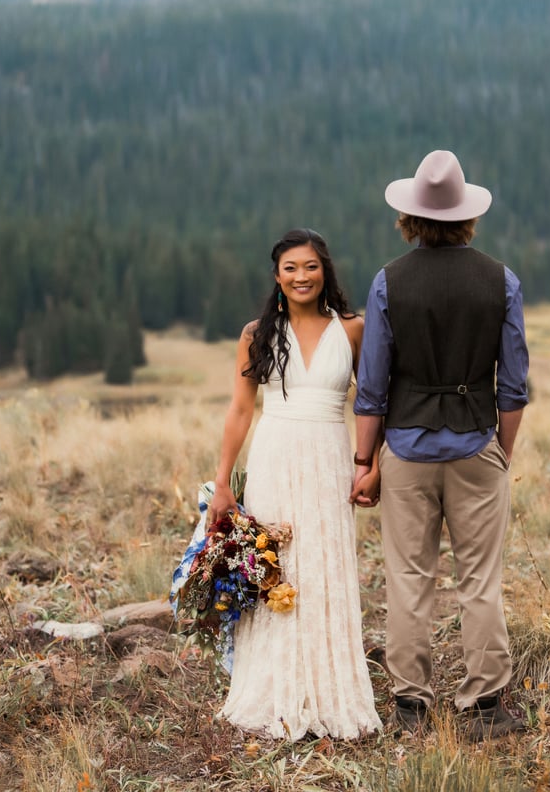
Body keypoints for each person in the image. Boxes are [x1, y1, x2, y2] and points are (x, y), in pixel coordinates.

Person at [350, 150, 529, 742]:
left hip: (404, 447)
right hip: (477, 443)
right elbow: (514, 383)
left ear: (410, 217)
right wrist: (500, 449)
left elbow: (372, 385)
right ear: (466, 216)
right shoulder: (500, 279)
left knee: (407, 577)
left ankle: (410, 705)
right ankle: (482, 708)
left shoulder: (387, 282)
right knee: (479, 579)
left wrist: (363, 461)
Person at [207, 228, 381, 741]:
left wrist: (370, 463)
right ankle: (276, 686)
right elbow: (241, 410)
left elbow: (375, 401)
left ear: (324, 270)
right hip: (275, 456)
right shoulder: (256, 333)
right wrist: (222, 482)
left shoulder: (353, 329)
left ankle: (330, 688)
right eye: (290, 268)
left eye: (310, 266)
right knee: (274, 564)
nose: (301, 276)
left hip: (330, 456)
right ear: (277, 276)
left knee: (325, 562)